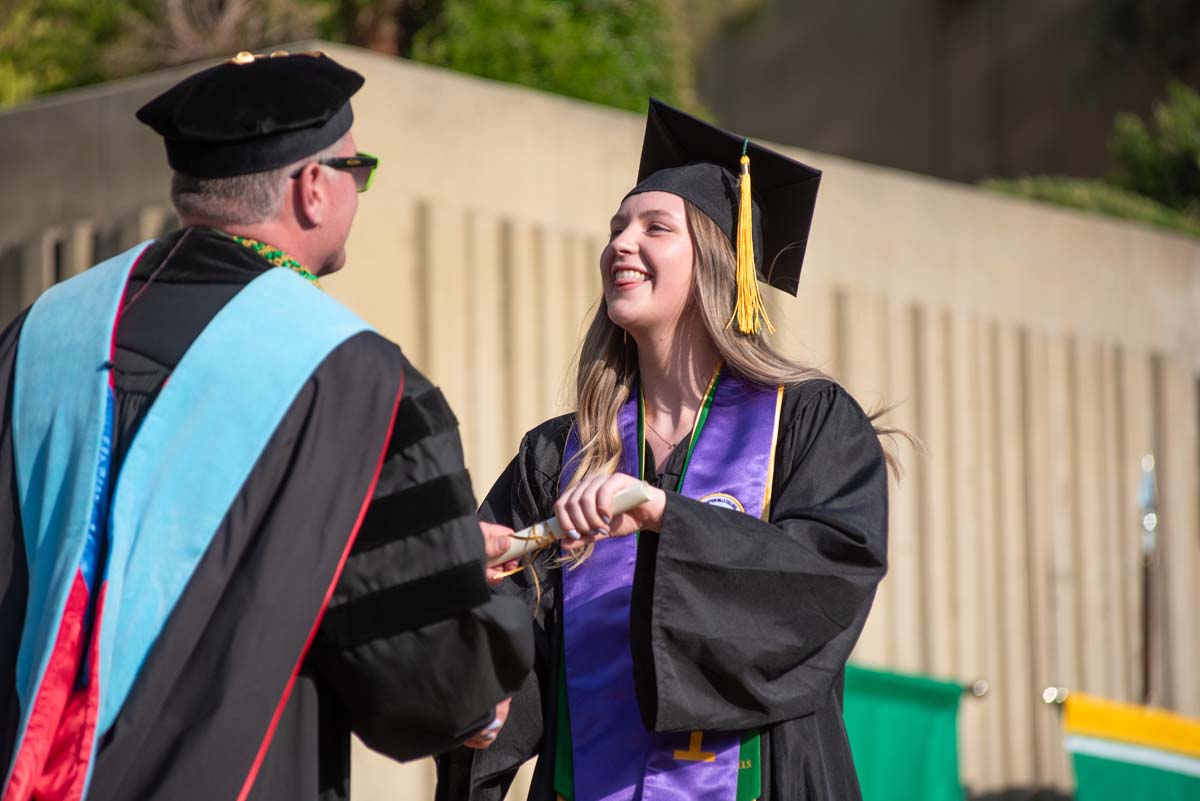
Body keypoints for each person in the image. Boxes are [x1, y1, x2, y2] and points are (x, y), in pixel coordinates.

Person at [0, 51, 532, 801]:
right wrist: (484, 598)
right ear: (314, 188)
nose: (359, 188)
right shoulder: (352, 377)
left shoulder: (39, 336)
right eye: (358, 169)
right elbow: (428, 688)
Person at [436, 99, 891, 801]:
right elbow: (507, 646)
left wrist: (662, 515)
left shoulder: (808, 422)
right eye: (617, 226)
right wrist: (471, 602)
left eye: (654, 227)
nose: (621, 243)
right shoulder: (560, 454)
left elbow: (822, 585)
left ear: (716, 258)